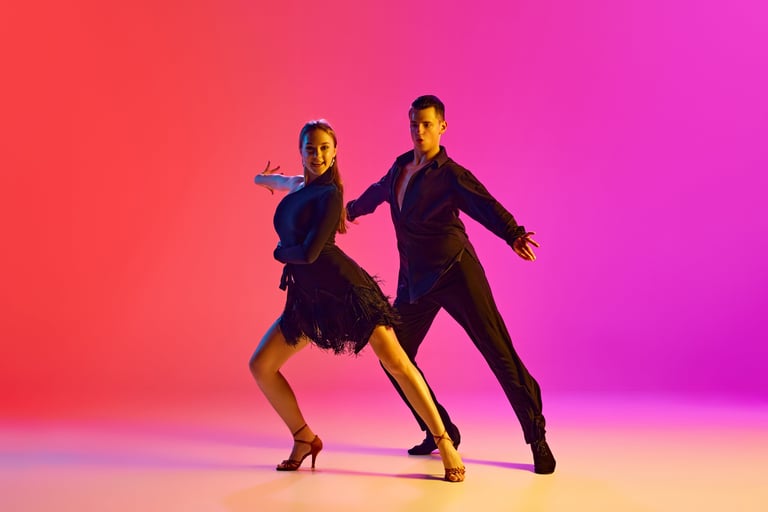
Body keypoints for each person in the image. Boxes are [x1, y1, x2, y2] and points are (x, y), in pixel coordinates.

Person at [346, 95, 556, 474]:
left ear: (442, 126)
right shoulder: (399, 168)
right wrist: (349, 211)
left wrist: (513, 233)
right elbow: (377, 194)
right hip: (415, 280)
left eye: (427, 124)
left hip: (457, 271)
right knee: (393, 356)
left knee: (498, 351)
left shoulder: (450, 173)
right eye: (414, 124)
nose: (419, 130)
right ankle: (438, 428)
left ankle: (536, 435)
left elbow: (483, 203)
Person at [248, 119, 465, 482]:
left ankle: (444, 441)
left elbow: (311, 252)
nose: (317, 155)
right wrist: (262, 179)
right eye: (310, 148)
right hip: (309, 298)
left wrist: (278, 253)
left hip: (346, 291)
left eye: (324, 149)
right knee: (261, 366)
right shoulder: (297, 185)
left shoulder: (330, 195)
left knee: (397, 363)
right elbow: (273, 181)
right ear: (300, 151)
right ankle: (304, 439)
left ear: (334, 152)